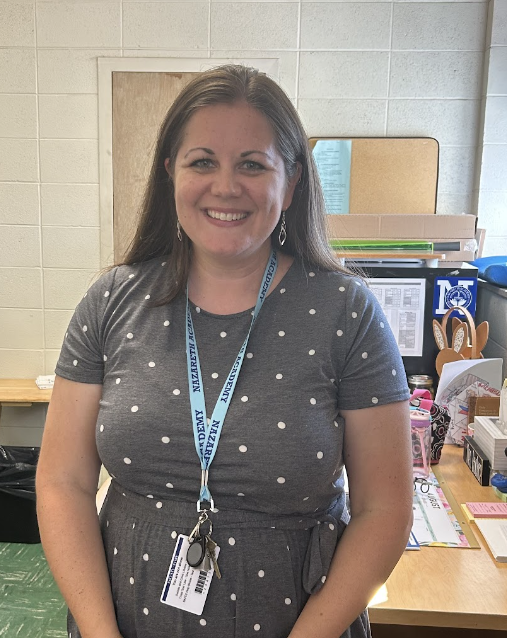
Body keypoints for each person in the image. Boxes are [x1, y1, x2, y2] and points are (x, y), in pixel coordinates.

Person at [36, 64, 413, 638]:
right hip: (122, 622)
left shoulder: (347, 312)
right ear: (171, 174)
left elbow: (383, 511)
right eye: (202, 161)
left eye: (253, 164)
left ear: (290, 185)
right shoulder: (113, 301)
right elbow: (62, 482)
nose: (226, 186)